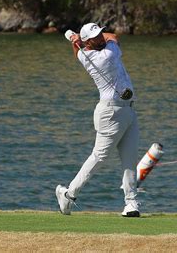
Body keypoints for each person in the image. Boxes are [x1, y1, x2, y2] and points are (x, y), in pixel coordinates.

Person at [55, 23, 140, 217]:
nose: (101, 37)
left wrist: (76, 40)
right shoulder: (107, 54)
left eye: (100, 33)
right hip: (111, 113)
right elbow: (114, 37)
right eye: (96, 37)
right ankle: (69, 194)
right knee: (100, 157)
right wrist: (79, 38)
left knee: (130, 158)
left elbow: (79, 50)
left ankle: (131, 203)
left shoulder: (85, 54)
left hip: (128, 110)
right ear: (88, 43)